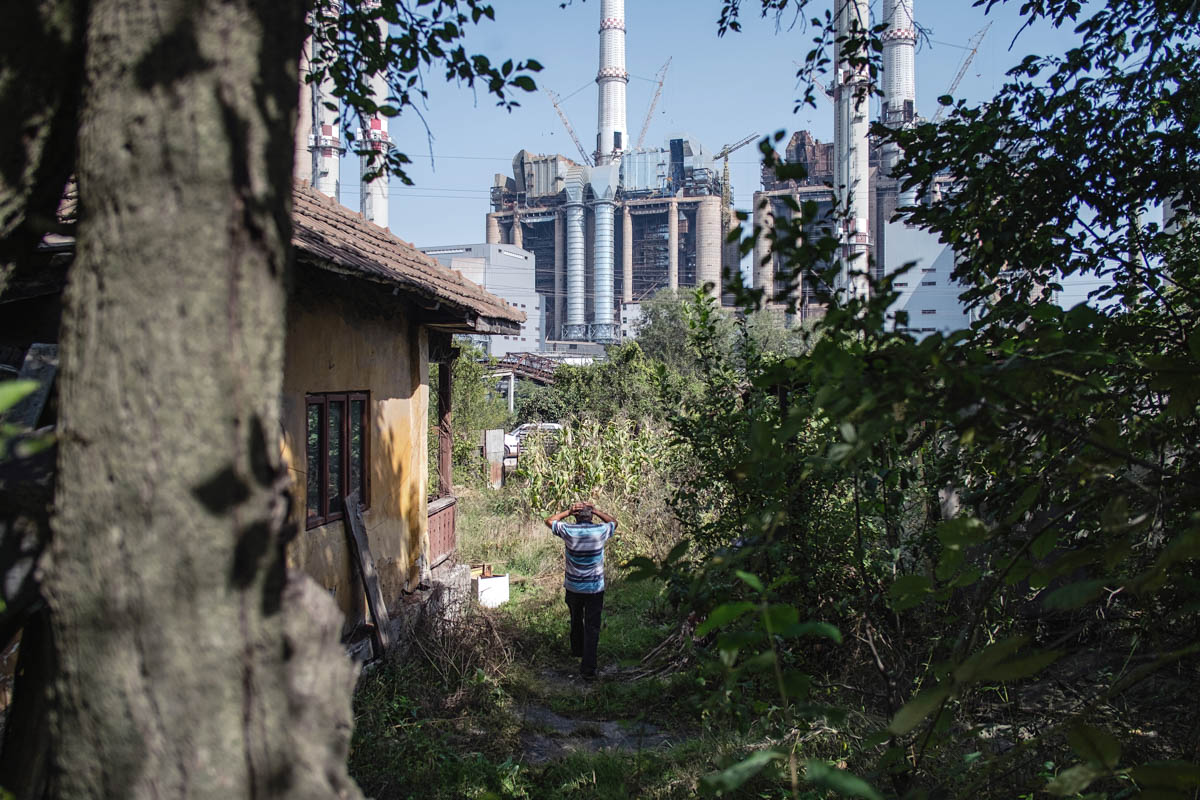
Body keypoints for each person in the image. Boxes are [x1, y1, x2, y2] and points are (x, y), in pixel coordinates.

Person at [544, 501, 617, 680]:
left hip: (574, 587)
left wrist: (567, 512)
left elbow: (549, 520)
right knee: (592, 627)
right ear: (591, 516)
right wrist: (597, 510)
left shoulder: (569, 531)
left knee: (576, 619)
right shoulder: (600, 531)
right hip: (594, 589)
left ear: (576, 517)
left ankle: (577, 651)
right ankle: (588, 669)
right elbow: (614, 522)